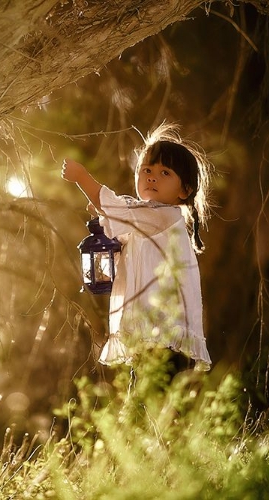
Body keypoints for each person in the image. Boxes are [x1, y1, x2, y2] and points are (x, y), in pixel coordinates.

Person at [60, 123, 213, 371]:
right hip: (153, 335)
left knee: (153, 399)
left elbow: (115, 208)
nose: (152, 176)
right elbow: (120, 217)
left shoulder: (164, 216)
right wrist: (106, 213)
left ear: (185, 190)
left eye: (165, 173)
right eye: (147, 169)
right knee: (146, 401)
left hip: (164, 336)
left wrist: (82, 178)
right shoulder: (149, 218)